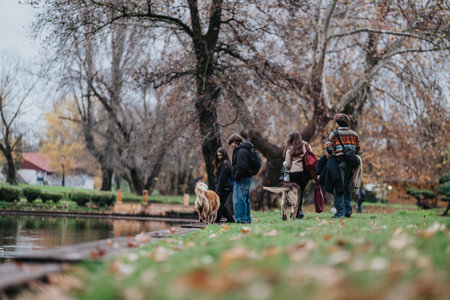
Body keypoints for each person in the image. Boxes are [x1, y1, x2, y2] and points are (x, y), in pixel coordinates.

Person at [325, 113, 362, 218]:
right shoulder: (354, 134)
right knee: (348, 187)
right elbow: (359, 150)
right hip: (352, 164)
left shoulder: (334, 134)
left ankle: (340, 212)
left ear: (337, 123)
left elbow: (329, 148)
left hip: (339, 164)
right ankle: (348, 211)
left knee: (339, 187)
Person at [283, 130, 311, 219]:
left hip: (294, 174)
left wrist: (283, 163)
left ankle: (296, 211)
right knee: (301, 193)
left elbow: (287, 165)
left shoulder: (290, 148)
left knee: (295, 194)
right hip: (305, 173)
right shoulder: (306, 146)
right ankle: (299, 211)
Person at [228, 133, 254, 224]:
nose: (231, 146)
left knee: (239, 200)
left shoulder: (241, 151)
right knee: (245, 199)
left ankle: (242, 219)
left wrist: (236, 176)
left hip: (242, 178)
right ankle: (247, 219)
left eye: (231, 143)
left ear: (235, 142)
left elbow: (241, 166)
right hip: (247, 177)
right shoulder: (246, 149)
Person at [213, 147, 235, 223]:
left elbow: (222, 178)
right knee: (220, 204)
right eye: (218, 155)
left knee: (219, 204)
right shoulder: (222, 163)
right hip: (223, 187)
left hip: (225, 188)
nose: (219, 157)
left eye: (220, 155)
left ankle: (217, 220)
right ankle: (230, 219)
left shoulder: (225, 163)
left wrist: (218, 190)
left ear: (224, 155)